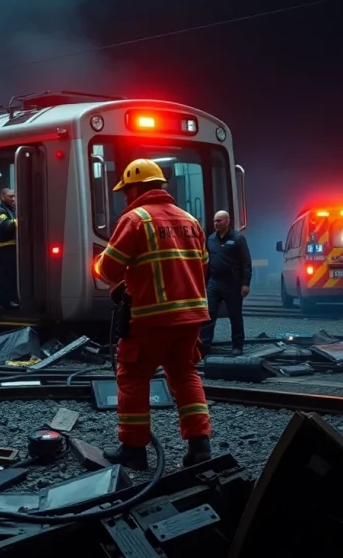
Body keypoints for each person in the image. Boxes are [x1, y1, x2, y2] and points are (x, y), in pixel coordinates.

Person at [91, 158, 213, 471]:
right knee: (185, 375)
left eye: (126, 191)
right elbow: (201, 266)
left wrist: (106, 266)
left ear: (135, 188)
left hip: (150, 318)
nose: (125, 197)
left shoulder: (136, 219)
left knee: (132, 376)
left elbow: (107, 270)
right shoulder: (191, 221)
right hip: (191, 318)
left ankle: (133, 449)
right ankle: (200, 446)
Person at [199, 210, 252, 356]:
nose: (216, 223)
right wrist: (204, 282)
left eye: (219, 221)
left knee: (235, 315)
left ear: (227, 221)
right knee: (208, 315)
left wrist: (245, 283)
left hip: (232, 282)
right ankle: (204, 346)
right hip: (214, 282)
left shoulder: (238, 239)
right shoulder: (210, 240)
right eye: (215, 221)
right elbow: (206, 262)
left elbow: (246, 262)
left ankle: (237, 346)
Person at [0, 188, 19, 309]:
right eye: (10, 196)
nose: (13, 199)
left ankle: (12, 298)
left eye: (14, 196)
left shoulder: (10, 209)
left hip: (11, 247)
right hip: (2, 248)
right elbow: (6, 225)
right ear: (2, 196)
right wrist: (19, 221)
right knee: (5, 276)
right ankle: (4, 302)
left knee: (12, 274)